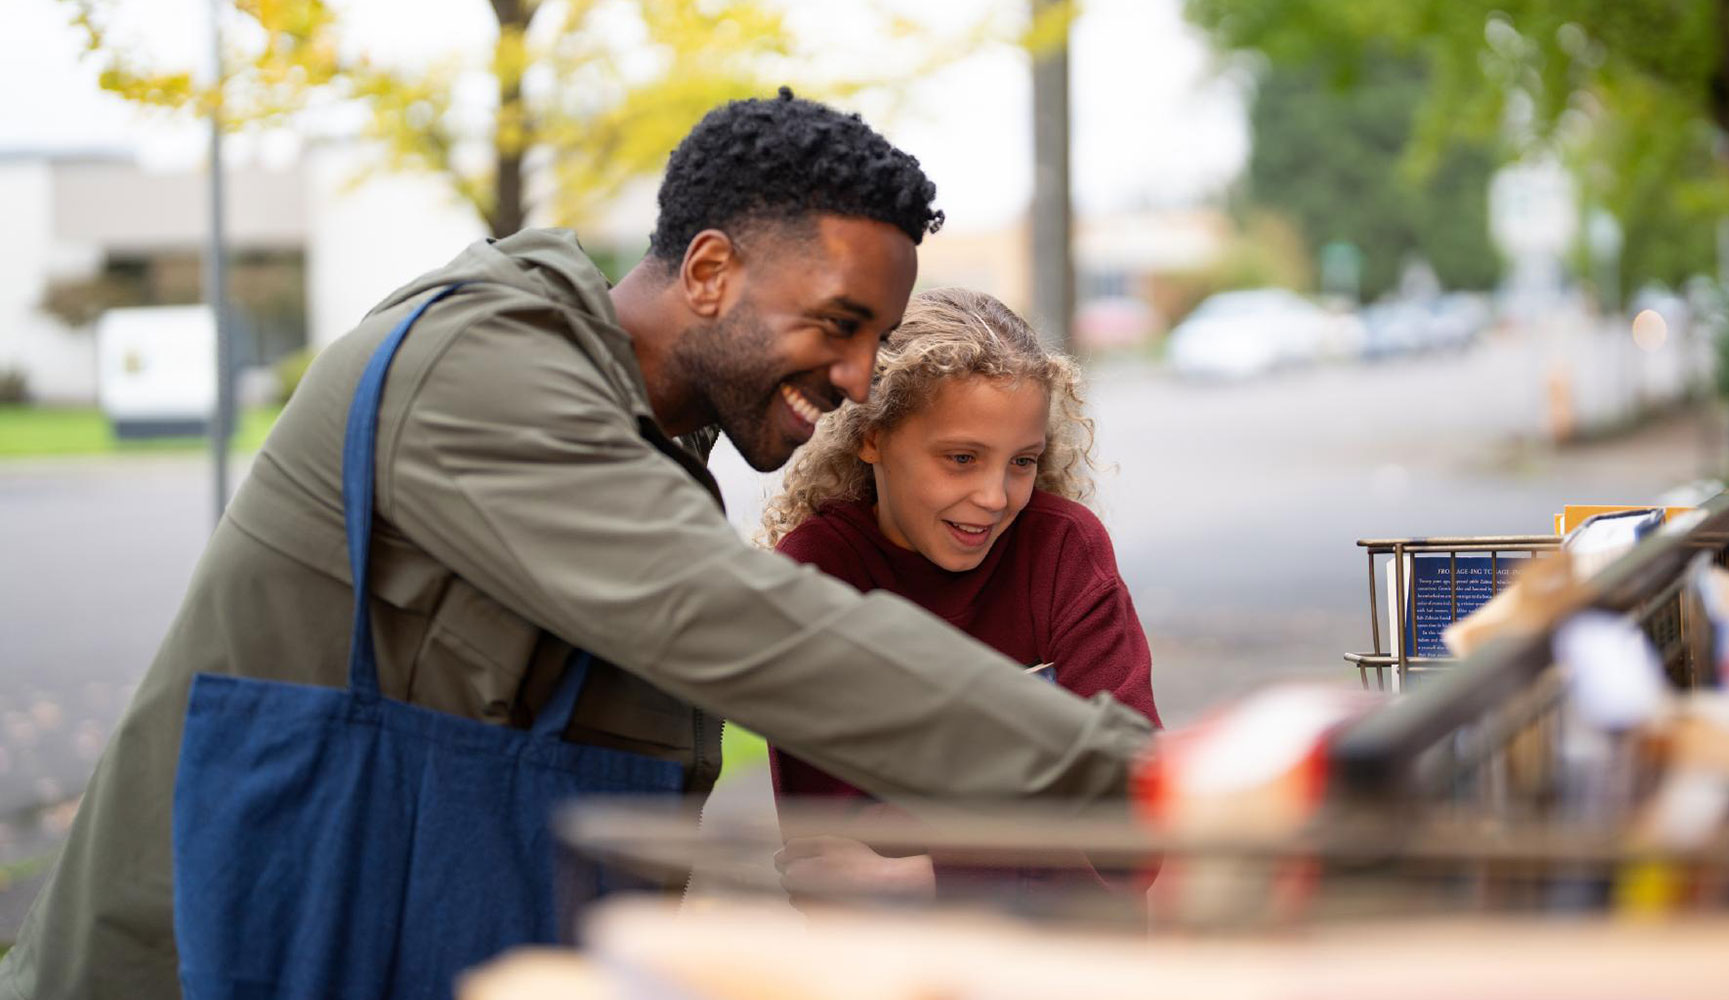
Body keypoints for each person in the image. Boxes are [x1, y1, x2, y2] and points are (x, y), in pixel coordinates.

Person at [0, 90, 1154, 999]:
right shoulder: (480, 367)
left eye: (877, 341)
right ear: (708, 272)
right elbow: (735, 622)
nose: (857, 381)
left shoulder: (649, 450)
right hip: (212, 967)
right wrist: (1132, 778)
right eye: (837, 326)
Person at [759, 288, 1159, 904]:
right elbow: (834, 862)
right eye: (962, 458)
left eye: (1022, 462)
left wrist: (928, 871)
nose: (996, 497)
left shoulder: (1063, 552)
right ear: (872, 435)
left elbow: (1138, 829)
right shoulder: (817, 574)